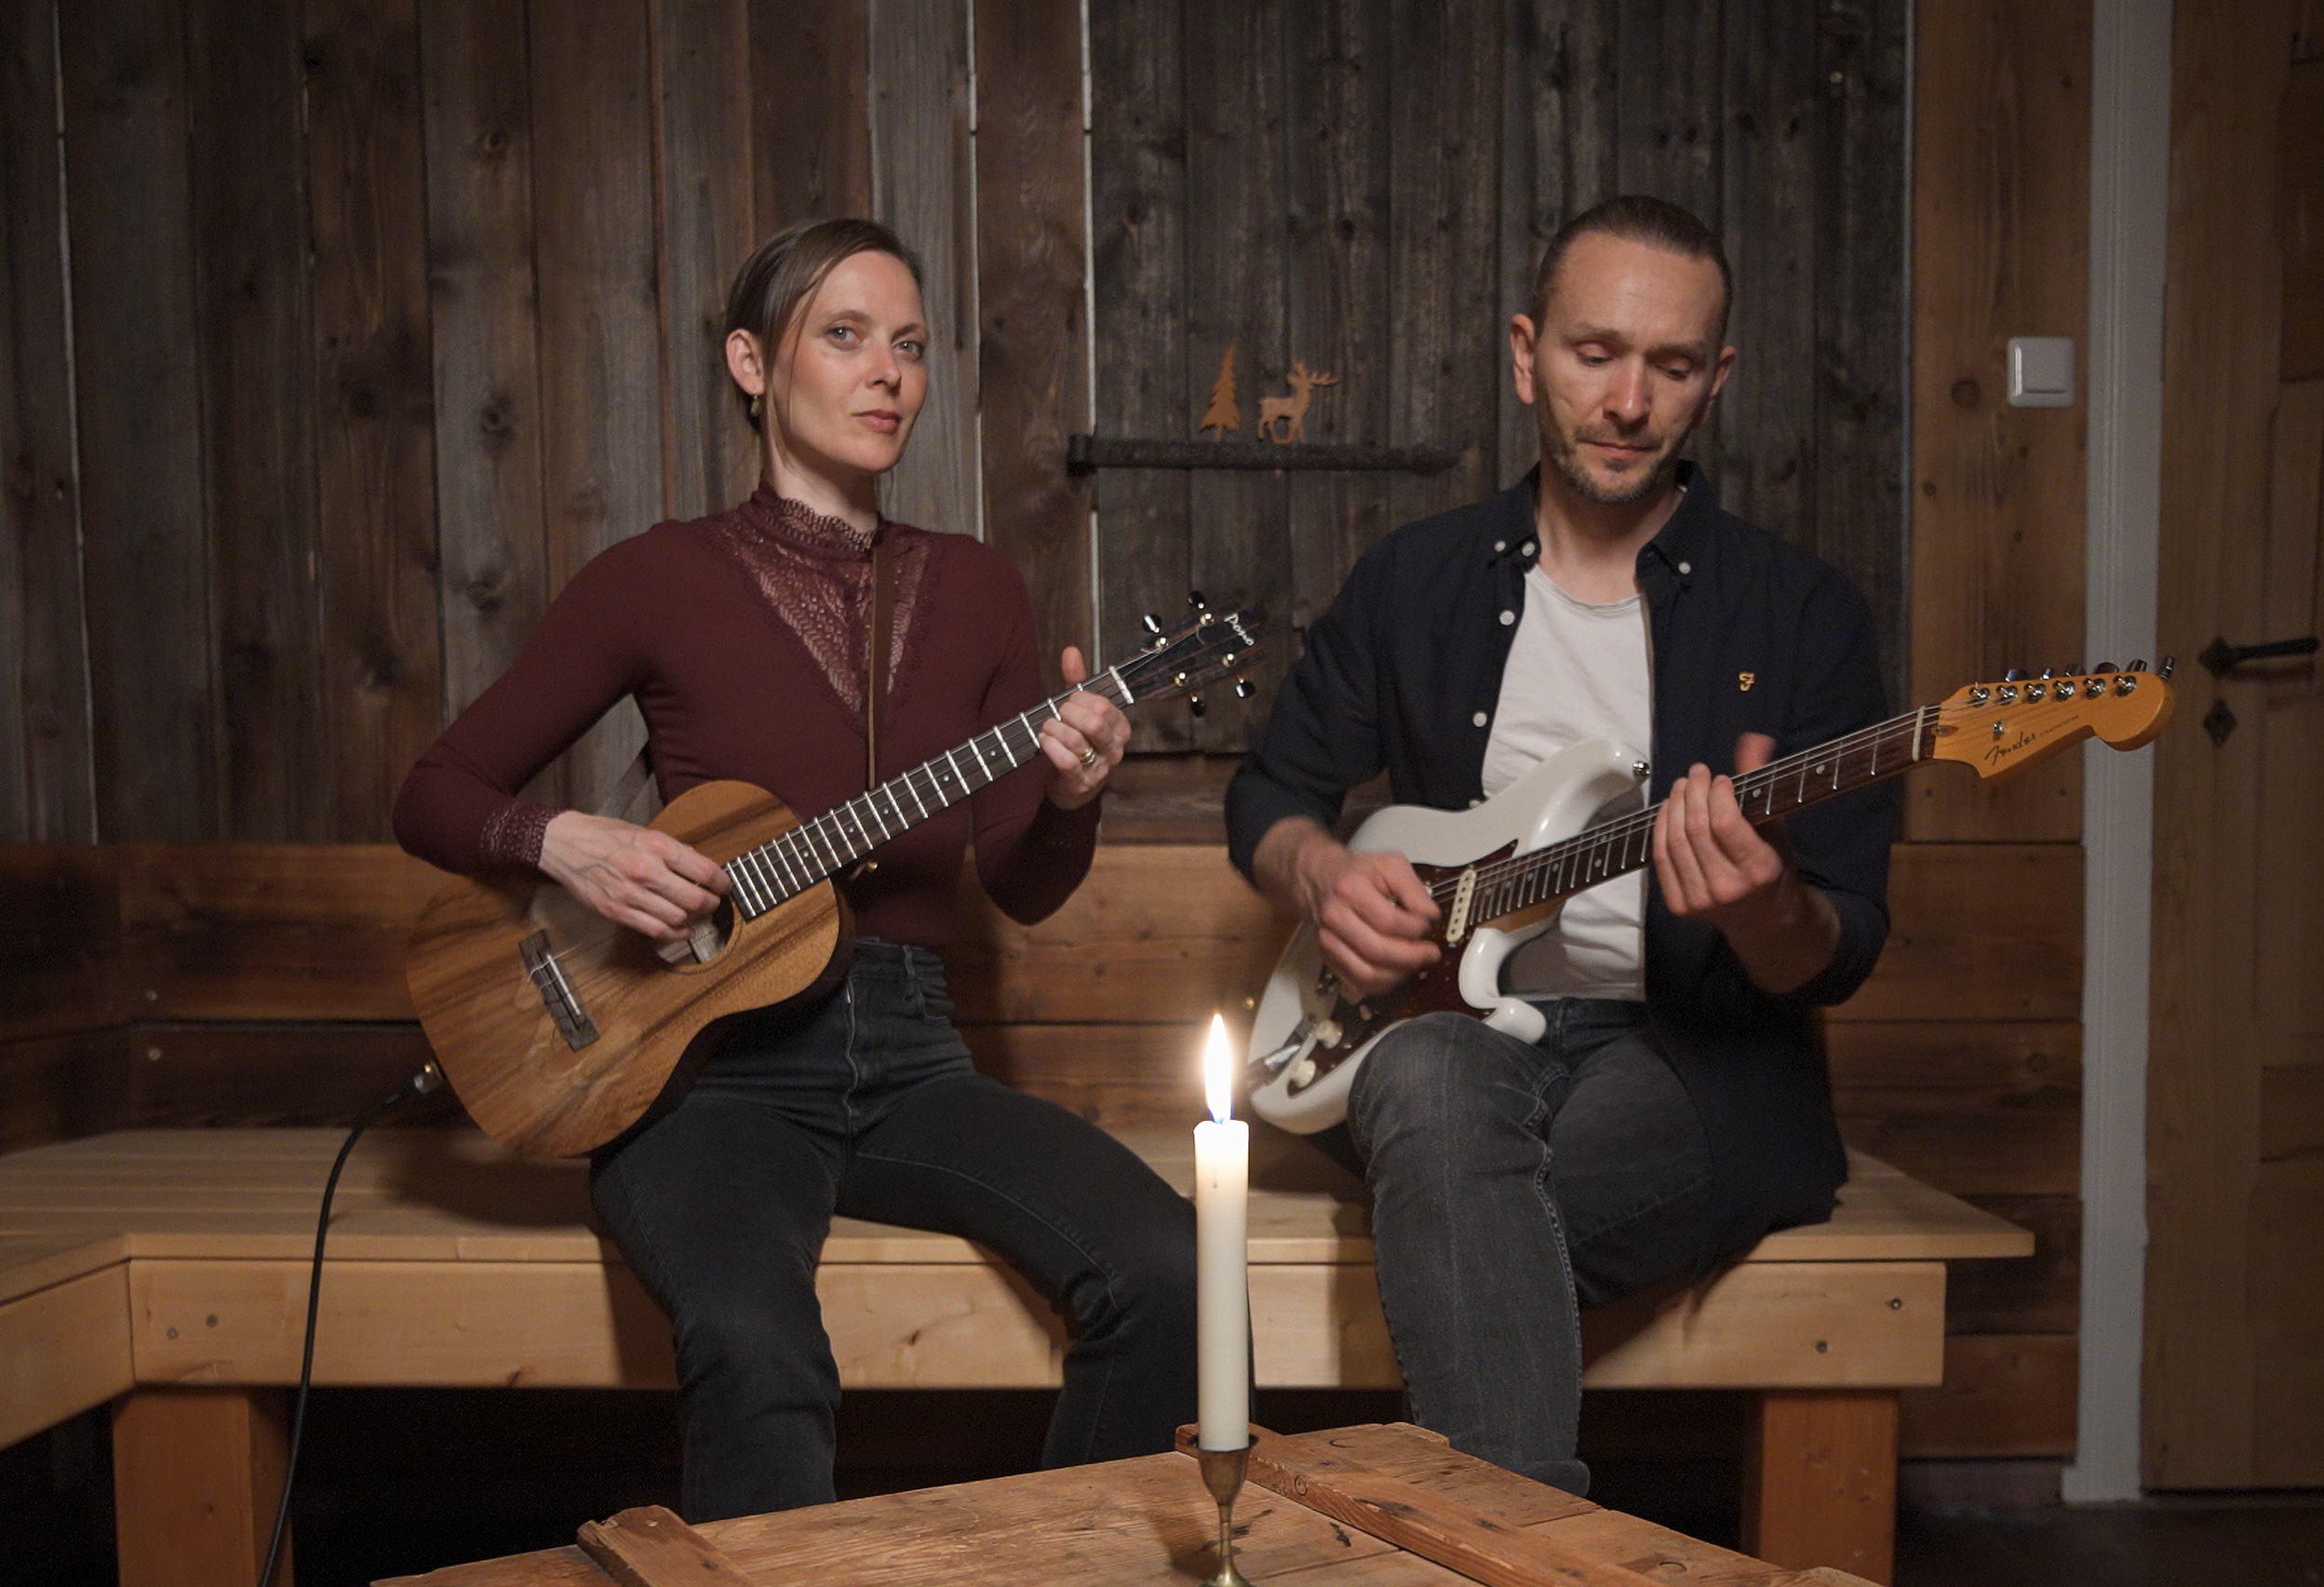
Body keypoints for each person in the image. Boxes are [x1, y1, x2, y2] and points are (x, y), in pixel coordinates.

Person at [395, 218, 1198, 1520]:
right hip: (703, 1067)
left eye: (911, 347)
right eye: (845, 336)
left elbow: (1024, 883)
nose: (887, 373)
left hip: (912, 1056)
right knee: (758, 1347)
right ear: (753, 364)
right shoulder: (652, 578)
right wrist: (569, 841)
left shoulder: (982, 588)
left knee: (1167, 1263)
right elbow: (432, 792)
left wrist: (1068, 798)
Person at [1226, 195, 1895, 1494]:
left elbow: (1845, 936)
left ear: (1717, 382)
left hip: (1690, 1060)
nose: (1628, 400)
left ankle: (1492, 1583)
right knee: (1427, 1084)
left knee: (1471, 1211)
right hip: (1444, 1035)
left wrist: (1765, 913)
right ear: (1524, 352)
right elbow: (1269, 794)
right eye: (1594, 353)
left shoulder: (1802, 613)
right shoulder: (1413, 578)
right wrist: (1321, 872)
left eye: (1672, 364)